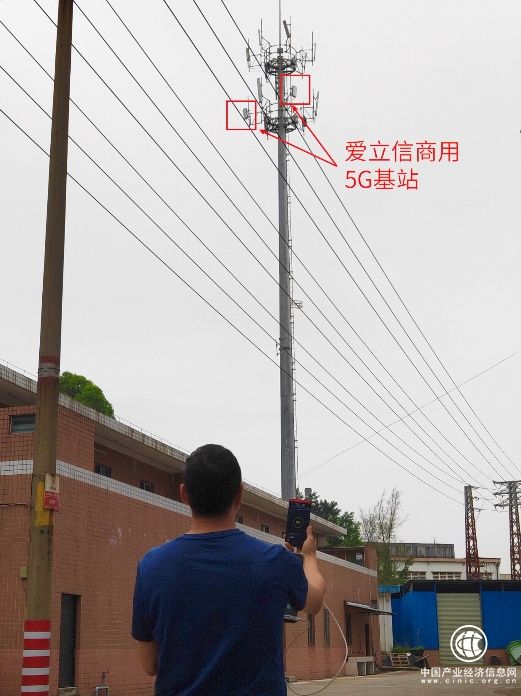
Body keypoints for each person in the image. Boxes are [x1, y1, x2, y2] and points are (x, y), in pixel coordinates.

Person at [131, 443, 326, 696]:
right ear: (239, 494)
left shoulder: (151, 566)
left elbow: (150, 664)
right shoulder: (276, 561)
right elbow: (314, 602)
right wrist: (308, 557)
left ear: (184, 494)